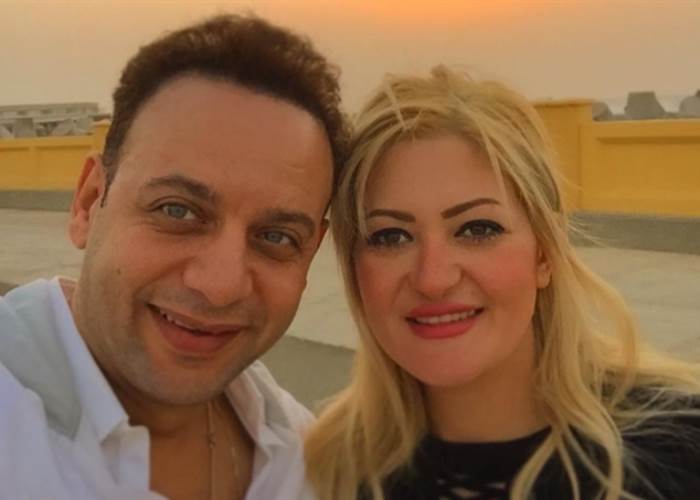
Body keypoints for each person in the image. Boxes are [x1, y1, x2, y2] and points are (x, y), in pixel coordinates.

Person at [304, 66, 700, 500]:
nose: (433, 279)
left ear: (544, 253)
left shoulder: (679, 455)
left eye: (477, 229)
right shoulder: (325, 472)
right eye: (390, 237)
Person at [0, 14, 348, 500]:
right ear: (89, 202)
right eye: (177, 210)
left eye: (276, 236)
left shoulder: (301, 454)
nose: (221, 286)